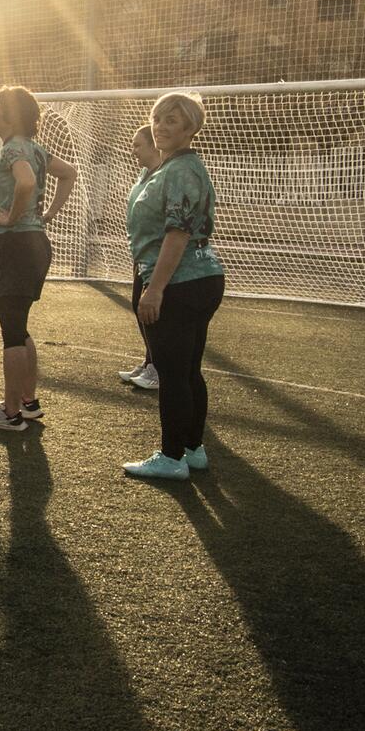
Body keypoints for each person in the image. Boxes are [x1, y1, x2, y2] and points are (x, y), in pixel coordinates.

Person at [123, 92, 225, 481]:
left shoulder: (181, 169)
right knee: (186, 369)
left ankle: (171, 455)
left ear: (190, 128)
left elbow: (178, 233)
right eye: (158, 118)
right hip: (197, 278)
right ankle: (192, 448)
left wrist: (155, 289)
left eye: (173, 120)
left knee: (173, 372)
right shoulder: (172, 167)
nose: (162, 126)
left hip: (182, 281)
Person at [0, 85, 77, 432]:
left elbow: (26, 183)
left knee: (12, 332)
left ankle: (11, 413)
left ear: (11, 115)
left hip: (15, 243)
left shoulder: (15, 147)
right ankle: (29, 404)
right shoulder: (34, 148)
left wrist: (15, 217)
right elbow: (69, 172)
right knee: (19, 327)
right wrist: (46, 216)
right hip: (35, 243)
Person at [119, 124, 163, 391]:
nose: (133, 150)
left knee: (152, 313)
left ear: (153, 145)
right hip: (142, 255)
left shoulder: (164, 175)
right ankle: (150, 361)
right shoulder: (144, 174)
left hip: (157, 257)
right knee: (139, 306)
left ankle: (159, 367)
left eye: (137, 145)